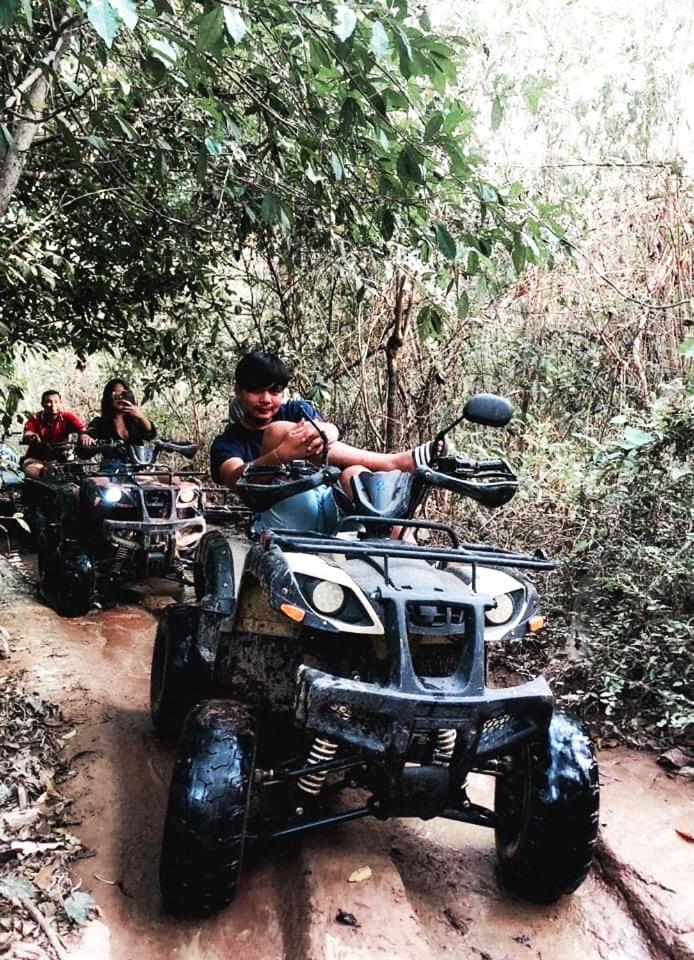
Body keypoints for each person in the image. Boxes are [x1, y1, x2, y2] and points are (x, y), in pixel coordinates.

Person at [210, 351, 443, 532]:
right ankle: (393, 462)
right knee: (277, 431)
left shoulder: (296, 409)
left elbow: (324, 439)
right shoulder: (227, 443)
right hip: (283, 515)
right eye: (255, 391)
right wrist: (281, 455)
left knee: (357, 474)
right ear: (238, 390)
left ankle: (405, 559)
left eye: (274, 391)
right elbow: (235, 479)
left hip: (330, 505)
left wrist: (330, 430)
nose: (266, 400)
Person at [85, 378, 156, 471]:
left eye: (124, 394)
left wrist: (141, 417)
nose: (120, 398)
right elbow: (84, 448)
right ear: (109, 397)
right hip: (111, 470)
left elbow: (150, 435)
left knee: (173, 480)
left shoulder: (135, 420)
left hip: (138, 469)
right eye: (116, 394)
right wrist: (85, 437)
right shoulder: (100, 422)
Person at [22, 390, 94, 478]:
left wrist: (84, 436)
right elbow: (27, 432)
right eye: (49, 402)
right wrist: (31, 436)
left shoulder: (67, 416)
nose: (53, 405)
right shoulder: (35, 418)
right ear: (42, 404)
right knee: (31, 470)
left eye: (56, 402)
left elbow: (82, 430)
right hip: (37, 458)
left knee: (80, 476)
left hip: (62, 458)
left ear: (61, 403)